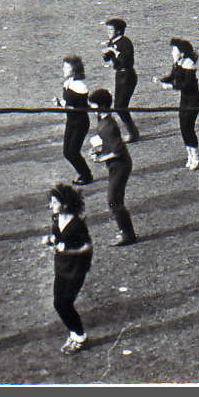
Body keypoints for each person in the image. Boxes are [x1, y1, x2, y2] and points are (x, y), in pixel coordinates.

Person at [42, 183, 93, 354]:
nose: (51, 206)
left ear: (65, 205)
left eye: (54, 203)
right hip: (61, 266)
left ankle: (80, 337)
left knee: (65, 303)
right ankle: (74, 333)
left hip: (76, 269)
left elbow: (87, 246)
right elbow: (58, 237)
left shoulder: (77, 225)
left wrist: (69, 251)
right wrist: (50, 240)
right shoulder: (56, 218)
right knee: (59, 303)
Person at [88, 89, 136, 245]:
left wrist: (101, 158)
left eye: (93, 105)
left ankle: (127, 235)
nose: (90, 107)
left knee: (113, 200)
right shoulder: (102, 120)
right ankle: (126, 232)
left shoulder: (108, 126)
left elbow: (118, 150)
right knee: (116, 200)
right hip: (115, 166)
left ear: (101, 106)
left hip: (120, 165)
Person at [159, 39, 199, 170]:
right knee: (183, 126)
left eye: (174, 50)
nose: (172, 52)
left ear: (182, 52)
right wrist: (162, 80)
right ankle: (189, 153)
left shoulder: (189, 64)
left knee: (188, 126)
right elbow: (172, 76)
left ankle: (195, 155)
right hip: (185, 99)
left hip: (193, 99)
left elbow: (186, 84)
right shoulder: (178, 63)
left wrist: (170, 86)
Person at [56, 56, 95, 185]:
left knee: (73, 151)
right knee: (67, 152)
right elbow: (69, 103)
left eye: (67, 67)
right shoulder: (68, 82)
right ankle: (83, 172)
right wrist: (61, 103)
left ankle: (86, 175)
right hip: (71, 121)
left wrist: (66, 105)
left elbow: (81, 106)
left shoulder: (80, 86)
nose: (63, 69)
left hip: (80, 123)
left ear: (74, 69)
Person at [100, 18, 140, 142]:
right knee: (119, 106)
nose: (108, 32)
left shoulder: (125, 43)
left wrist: (113, 51)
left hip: (127, 75)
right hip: (120, 75)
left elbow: (124, 60)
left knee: (120, 106)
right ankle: (132, 132)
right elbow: (107, 58)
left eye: (110, 29)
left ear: (118, 31)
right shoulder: (112, 42)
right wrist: (106, 53)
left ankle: (133, 133)